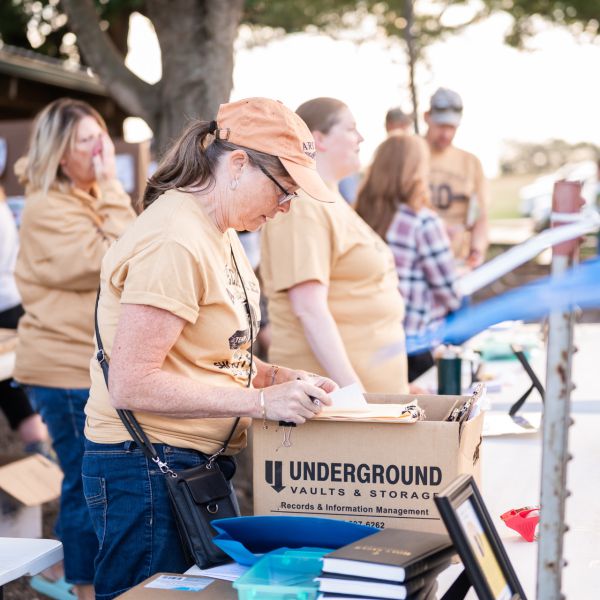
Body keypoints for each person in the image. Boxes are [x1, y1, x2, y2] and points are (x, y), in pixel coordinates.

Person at [83, 97, 337, 598]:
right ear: (238, 164)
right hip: (147, 465)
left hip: (182, 462)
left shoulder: (216, 230)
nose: (286, 208)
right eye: (284, 190)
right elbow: (132, 382)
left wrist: (274, 376)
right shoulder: (176, 238)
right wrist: (261, 403)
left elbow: (212, 352)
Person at [13, 98, 136, 600]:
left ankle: (85, 580)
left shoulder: (87, 195)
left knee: (96, 485)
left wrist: (105, 190)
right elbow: (119, 255)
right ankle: (81, 588)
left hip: (89, 362)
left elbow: (134, 244)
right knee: (88, 489)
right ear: (62, 154)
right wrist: (111, 186)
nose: (100, 149)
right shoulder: (47, 205)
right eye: (87, 140)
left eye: (101, 136)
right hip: (63, 365)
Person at [261, 97, 410, 394]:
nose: (361, 138)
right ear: (319, 139)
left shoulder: (331, 198)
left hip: (369, 402)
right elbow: (309, 309)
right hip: (333, 407)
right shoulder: (304, 206)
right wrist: (356, 395)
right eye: (351, 129)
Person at [355, 135, 461, 381]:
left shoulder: (358, 217)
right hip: (416, 344)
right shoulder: (422, 221)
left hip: (370, 342)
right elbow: (450, 293)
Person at [0, 187, 49, 455]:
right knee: (18, 397)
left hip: (4, 310)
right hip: (11, 304)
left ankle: (40, 467)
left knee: (17, 396)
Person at [425, 88, 489, 268]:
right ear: (427, 117)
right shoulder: (411, 156)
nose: (446, 134)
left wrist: (477, 250)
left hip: (457, 264)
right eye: (440, 126)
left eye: (451, 127)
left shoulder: (471, 162)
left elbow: (481, 217)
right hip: (417, 265)